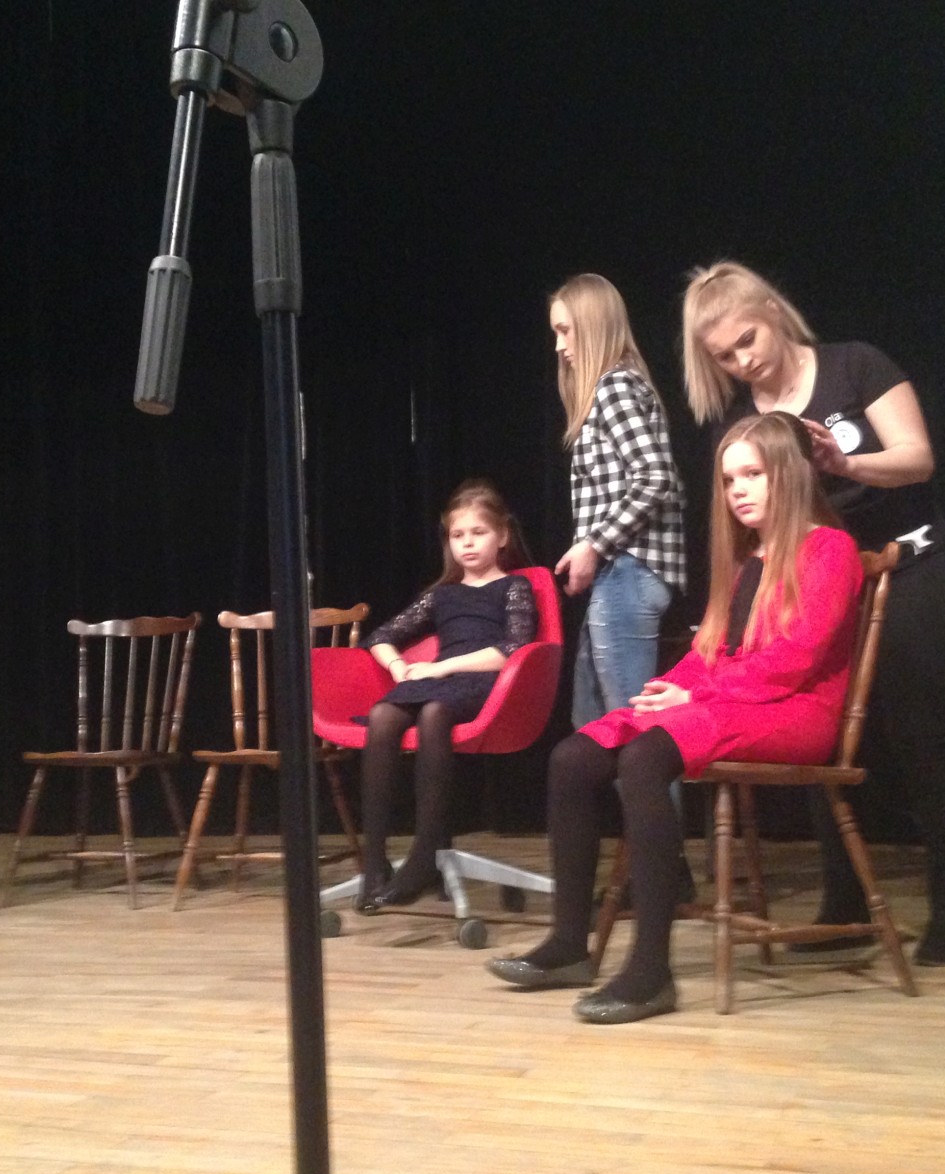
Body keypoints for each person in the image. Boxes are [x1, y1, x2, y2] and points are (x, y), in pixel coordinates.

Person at [485, 413, 862, 1023]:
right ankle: (568, 946)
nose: (737, 490)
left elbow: (797, 659)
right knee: (573, 756)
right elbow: (710, 650)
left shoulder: (830, 548)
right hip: (735, 700)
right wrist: (669, 689)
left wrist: (693, 698)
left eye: (752, 474)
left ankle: (650, 972)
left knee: (644, 758)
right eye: (729, 479)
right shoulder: (749, 559)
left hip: (796, 711)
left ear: (789, 473)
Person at [679, 260, 945, 967]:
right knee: (818, 723)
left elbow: (918, 459)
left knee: (921, 735)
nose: (742, 361)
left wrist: (844, 466)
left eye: (747, 341)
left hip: (907, 566)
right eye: (724, 356)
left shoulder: (854, 366)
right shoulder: (743, 420)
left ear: (772, 313)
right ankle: (844, 905)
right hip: (818, 578)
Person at [354, 481, 538, 913]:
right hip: (436, 678)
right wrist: (398, 667)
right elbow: (380, 637)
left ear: (502, 536)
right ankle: (374, 861)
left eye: (478, 532)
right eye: (458, 535)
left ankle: (424, 856)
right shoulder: (442, 594)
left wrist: (442, 667)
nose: (467, 543)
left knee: (435, 713)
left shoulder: (514, 587)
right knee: (383, 715)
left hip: (483, 682)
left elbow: (513, 648)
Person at [548, 273, 686, 731]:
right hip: (618, 573)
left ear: (592, 325)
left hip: (631, 570)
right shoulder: (611, 389)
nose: (559, 346)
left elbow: (655, 477)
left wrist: (593, 545)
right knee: (593, 727)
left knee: (631, 727)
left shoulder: (615, 386)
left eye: (565, 330)